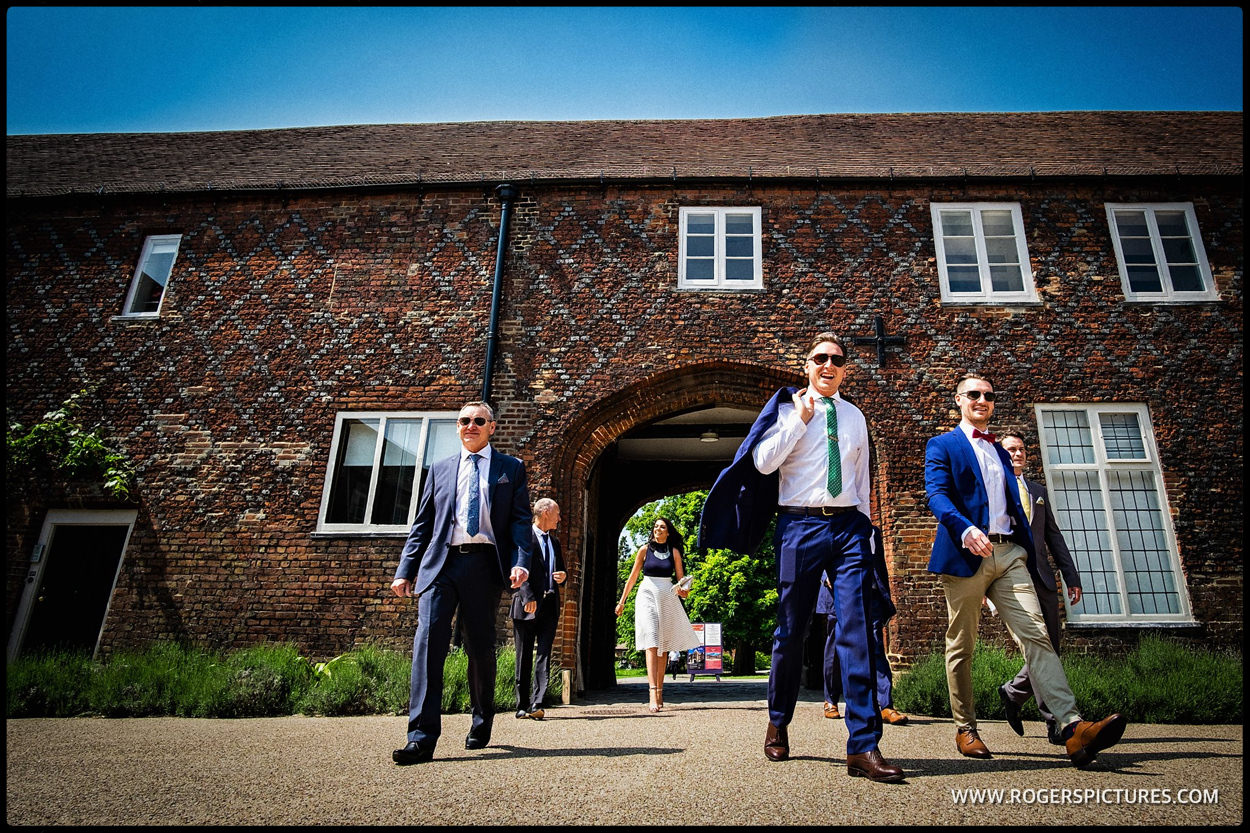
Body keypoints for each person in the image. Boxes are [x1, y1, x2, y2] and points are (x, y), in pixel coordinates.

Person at [700, 331, 903, 783]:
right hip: (799, 525)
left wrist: (868, 529)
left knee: (857, 631)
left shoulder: (855, 416)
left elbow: (860, 476)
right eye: (820, 359)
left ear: (845, 368)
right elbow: (763, 463)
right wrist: (800, 420)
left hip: (849, 527)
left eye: (837, 359)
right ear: (807, 366)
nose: (828, 365)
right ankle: (778, 720)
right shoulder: (790, 409)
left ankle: (863, 746)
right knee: (791, 630)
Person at [925, 374, 1125, 768]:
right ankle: (966, 728)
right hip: (966, 557)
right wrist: (965, 529)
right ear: (959, 400)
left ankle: (1072, 728)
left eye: (988, 395)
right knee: (961, 645)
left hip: (1010, 555)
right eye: (974, 395)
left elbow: (1015, 508)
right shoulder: (943, 445)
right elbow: (937, 494)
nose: (982, 400)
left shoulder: (1000, 450)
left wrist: (1030, 553)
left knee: (1037, 634)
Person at [390, 401, 532, 765]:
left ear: (492, 428)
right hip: (441, 566)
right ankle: (420, 739)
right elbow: (422, 524)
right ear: (457, 427)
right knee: (428, 643)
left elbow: (519, 520)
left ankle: (482, 718)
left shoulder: (510, 469)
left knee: (480, 648)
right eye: (464, 421)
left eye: (478, 421)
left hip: (484, 566)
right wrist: (405, 569)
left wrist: (521, 563)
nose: (471, 425)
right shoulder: (439, 469)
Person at [997, 432, 1083, 745]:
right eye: (1010, 449)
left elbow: (1053, 536)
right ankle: (1057, 722)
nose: (1017, 454)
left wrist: (1070, 575)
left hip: (1043, 579)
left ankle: (1013, 691)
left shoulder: (1037, 491)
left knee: (1051, 651)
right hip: (1011, 578)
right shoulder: (996, 490)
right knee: (1037, 646)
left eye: (1021, 449)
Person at [819, 525, 909, 726]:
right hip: (838, 593)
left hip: (871, 593)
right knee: (835, 646)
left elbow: (880, 565)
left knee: (876, 646)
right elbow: (820, 556)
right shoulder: (828, 525)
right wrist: (826, 578)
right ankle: (830, 700)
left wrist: (885, 600)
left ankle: (885, 705)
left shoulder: (872, 531)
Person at [615, 517, 700, 713]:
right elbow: (633, 576)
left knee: (663, 646)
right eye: (655, 527)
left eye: (662, 527)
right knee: (652, 641)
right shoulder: (644, 550)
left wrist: (684, 590)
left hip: (667, 595)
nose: (658, 529)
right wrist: (622, 601)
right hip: (647, 593)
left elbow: (680, 581)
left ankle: (660, 690)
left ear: (668, 532)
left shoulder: (674, 552)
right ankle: (652, 692)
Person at [510, 497, 567, 721]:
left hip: (550, 605)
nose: (560, 518)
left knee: (544, 654)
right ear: (545, 513)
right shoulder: (524, 537)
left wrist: (563, 577)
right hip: (527, 605)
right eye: (557, 513)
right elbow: (516, 568)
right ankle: (522, 704)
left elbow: (560, 571)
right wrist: (528, 596)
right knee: (523, 655)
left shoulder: (555, 543)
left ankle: (537, 702)